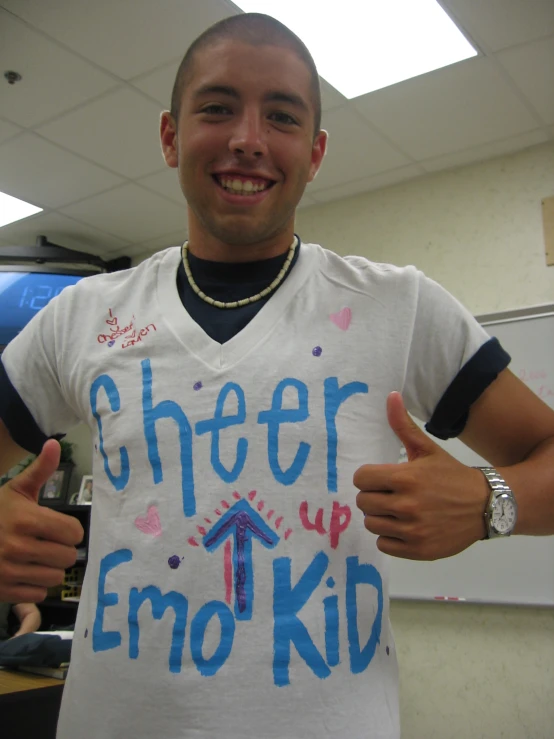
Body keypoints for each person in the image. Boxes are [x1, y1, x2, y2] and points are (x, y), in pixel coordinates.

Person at [0, 12, 553, 739]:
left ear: (315, 152)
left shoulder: (398, 306)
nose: (247, 139)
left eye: (282, 116)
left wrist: (489, 500)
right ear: (170, 135)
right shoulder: (81, 317)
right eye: (218, 107)